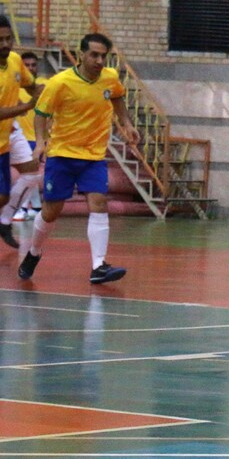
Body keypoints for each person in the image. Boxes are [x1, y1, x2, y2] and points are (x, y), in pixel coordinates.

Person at [18, 32, 141, 284]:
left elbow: (117, 96)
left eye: (103, 56)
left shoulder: (109, 77)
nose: (99, 61)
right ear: (81, 54)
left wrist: (126, 123)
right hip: (62, 156)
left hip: (93, 156)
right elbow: (41, 113)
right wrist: (40, 143)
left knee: (99, 203)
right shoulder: (60, 83)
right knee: (51, 211)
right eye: (94, 55)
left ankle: (99, 266)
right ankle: (34, 252)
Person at [0, 16, 40, 251]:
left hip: (10, 131)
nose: (5, 44)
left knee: (32, 172)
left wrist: (47, 95)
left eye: (8, 39)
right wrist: (26, 106)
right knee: (2, 196)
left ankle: (5, 221)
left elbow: (32, 85)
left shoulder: (15, 60)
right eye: (0, 40)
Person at [5, 51, 48, 222]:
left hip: (35, 138)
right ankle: (29, 207)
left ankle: (26, 208)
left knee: (32, 173)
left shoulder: (43, 85)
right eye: (27, 65)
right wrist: (23, 106)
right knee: (28, 175)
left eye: (33, 65)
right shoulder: (14, 86)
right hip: (17, 135)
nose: (30, 68)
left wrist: (46, 138)